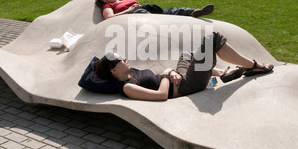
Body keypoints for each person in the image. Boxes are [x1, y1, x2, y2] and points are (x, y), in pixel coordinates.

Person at [94, 32, 274, 101]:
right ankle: (254, 66)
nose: (125, 58)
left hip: (177, 78)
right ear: (114, 70)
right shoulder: (127, 88)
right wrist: (167, 75)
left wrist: (171, 73)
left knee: (186, 55)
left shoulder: (131, 73)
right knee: (213, 40)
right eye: (121, 60)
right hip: (187, 85)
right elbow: (161, 95)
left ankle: (220, 73)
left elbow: (158, 79)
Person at [95, 0, 215, 20]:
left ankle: (194, 12)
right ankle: (161, 24)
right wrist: (130, 10)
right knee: (142, 12)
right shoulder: (108, 6)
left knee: (171, 10)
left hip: (143, 10)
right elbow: (109, 18)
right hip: (133, 15)